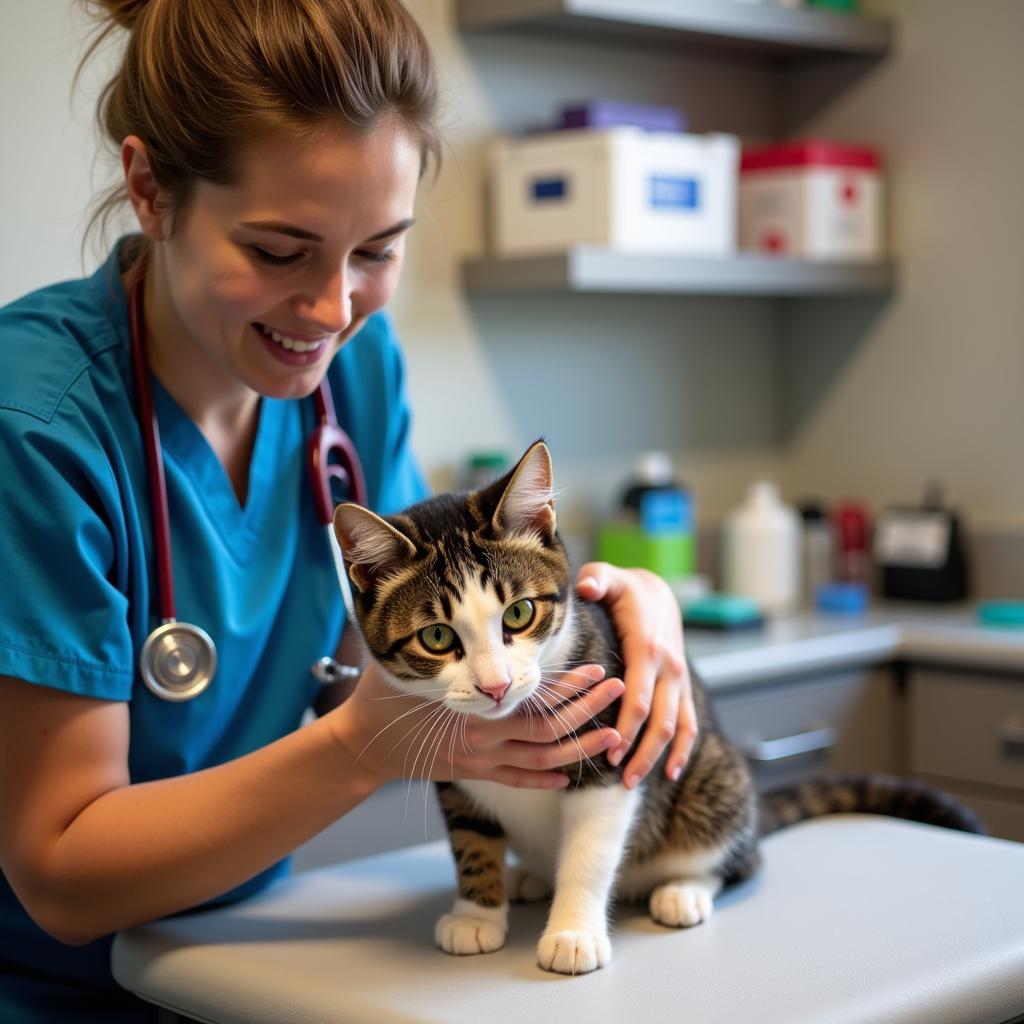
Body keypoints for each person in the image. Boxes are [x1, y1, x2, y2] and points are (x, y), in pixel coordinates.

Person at [0, 1, 697, 1019]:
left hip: (248, 962)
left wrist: (608, 611)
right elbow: (62, 876)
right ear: (150, 188)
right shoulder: (37, 424)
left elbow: (392, 652)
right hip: (57, 992)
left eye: (377, 250)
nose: (333, 309)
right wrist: (361, 745)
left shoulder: (355, 377)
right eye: (281, 251)